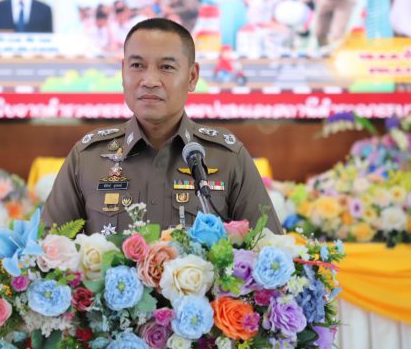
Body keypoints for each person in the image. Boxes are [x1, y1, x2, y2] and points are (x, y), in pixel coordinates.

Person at [42, 18, 283, 235]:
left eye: (166, 67)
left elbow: (267, 251)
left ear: (192, 77)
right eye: (137, 65)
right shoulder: (88, 157)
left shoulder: (227, 157)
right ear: (123, 72)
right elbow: (45, 256)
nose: (149, 81)